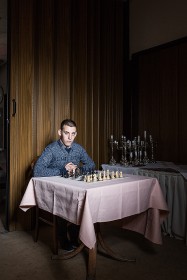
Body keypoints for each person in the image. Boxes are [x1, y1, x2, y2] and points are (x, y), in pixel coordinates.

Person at [33, 119, 95, 251]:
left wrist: (78, 170)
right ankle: (63, 239)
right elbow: (37, 171)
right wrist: (62, 170)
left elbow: (91, 165)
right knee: (63, 202)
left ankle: (74, 237)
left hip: (73, 188)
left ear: (76, 134)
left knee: (80, 202)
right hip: (55, 191)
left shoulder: (78, 149)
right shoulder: (51, 149)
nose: (70, 137)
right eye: (66, 133)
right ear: (60, 132)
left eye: (73, 134)